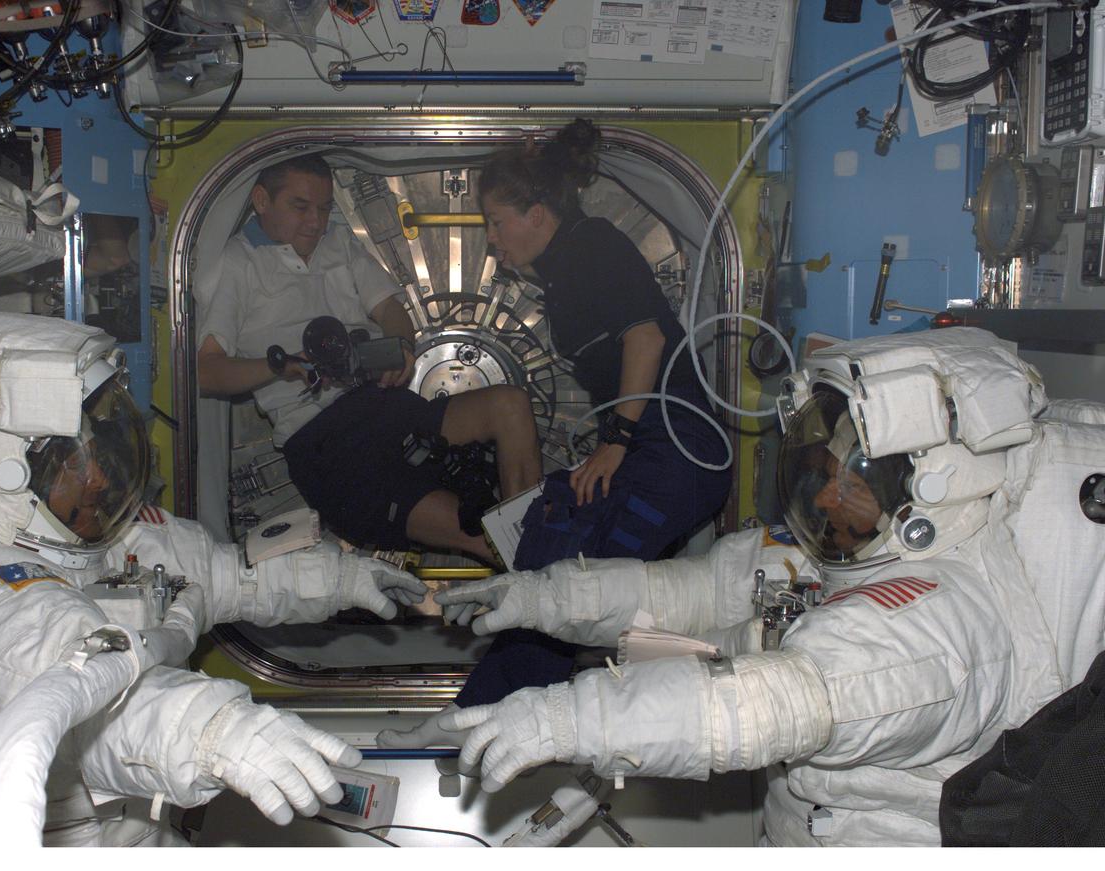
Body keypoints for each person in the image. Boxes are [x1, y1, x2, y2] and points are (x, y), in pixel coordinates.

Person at [432, 327, 1105, 846]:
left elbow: (768, 702)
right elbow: (693, 592)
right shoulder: (848, 549)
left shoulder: (947, 623)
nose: (831, 493)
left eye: (857, 481)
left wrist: (571, 718)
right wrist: (539, 597)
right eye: (829, 468)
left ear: (928, 499)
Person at [0, 307, 428, 847]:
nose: (102, 477)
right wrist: (214, 732)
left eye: (107, 442)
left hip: (91, 813)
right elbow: (61, 680)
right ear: (3, 473)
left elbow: (222, 575)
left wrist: (343, 579)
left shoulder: (75, 536)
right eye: (75, 461)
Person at [378, 120, 734, 742]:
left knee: (573, 587)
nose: (492, 240)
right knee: (549, 548)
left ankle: (475, 719)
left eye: (496, 221)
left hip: (677, 449)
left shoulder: (591, 247)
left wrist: (614, 442)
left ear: (537, 213)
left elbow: (645, 338)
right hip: (655, 448)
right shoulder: (566, 263)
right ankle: (490, 713)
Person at [196, 154, 541, 563]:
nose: (315, 222)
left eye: (324, 208)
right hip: (331, 449)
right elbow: (207, 372)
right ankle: (530, 575)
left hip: (389, 410)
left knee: (510, 405)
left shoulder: (337, 243)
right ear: (261, 200)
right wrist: (280, 365)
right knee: (489, 538)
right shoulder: (238, 264)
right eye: (300, 206)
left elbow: (392, 311)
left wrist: (399, 348)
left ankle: (532, 531)